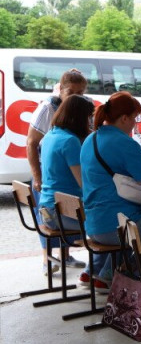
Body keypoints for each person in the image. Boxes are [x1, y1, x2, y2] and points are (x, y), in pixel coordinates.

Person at [80, 92, 141, 287]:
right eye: (134, 118)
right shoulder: (123, 143)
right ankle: (127, 280)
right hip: (118, 225)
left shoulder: (90, 139)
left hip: (93, 224)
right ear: (124, 118)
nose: (135, 123)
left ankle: (107, 274)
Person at [26, 69, 88, 274]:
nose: (75, 96)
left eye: (80, 92)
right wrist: (37, 177)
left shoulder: (74, 114)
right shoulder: (47, 109)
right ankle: (48, 259)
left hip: (62, 176)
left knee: (64, 206)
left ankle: (65, 256)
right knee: (55, 210)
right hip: (49, 173)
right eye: (71, 92)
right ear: (60, 89)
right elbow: (31, 143)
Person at [37, 95, 100, 287]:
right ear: (79, 117)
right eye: (88, 117)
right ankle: (98, 273)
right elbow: (83, 183)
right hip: (62, 213)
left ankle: (94, 271)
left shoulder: (50, 135)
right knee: (110, 223)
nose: (90, 121)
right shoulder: (70, 141)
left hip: (47, 210)